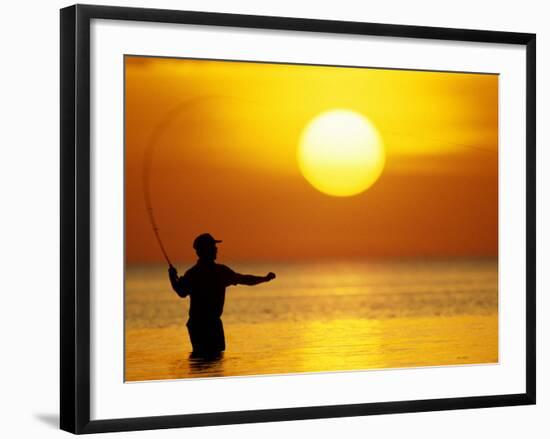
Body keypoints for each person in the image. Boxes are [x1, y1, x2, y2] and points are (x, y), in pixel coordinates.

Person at [168, 233, 276, 358]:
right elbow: (244, 280)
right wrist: (264, 279)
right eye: (213, 246)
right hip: (208, 325)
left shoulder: (193, 273)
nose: (216, 249)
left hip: (200, 325)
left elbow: (181, 291)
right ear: (204, 250)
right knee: (214, 361)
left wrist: (172, 278)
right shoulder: (219, 272)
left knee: (202, 363)